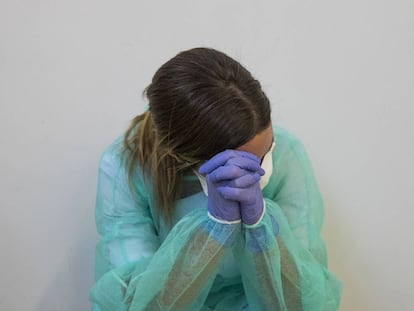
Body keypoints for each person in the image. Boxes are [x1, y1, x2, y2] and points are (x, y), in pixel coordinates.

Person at [89, 47, 342, 310]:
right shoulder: (124, 168)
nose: (259, 172)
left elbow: (306, 301)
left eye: (265, 153)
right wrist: (214, 231)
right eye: (242, 167)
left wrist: (263, 229)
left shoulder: (288, 155)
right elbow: (135, 303)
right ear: (182, 156)